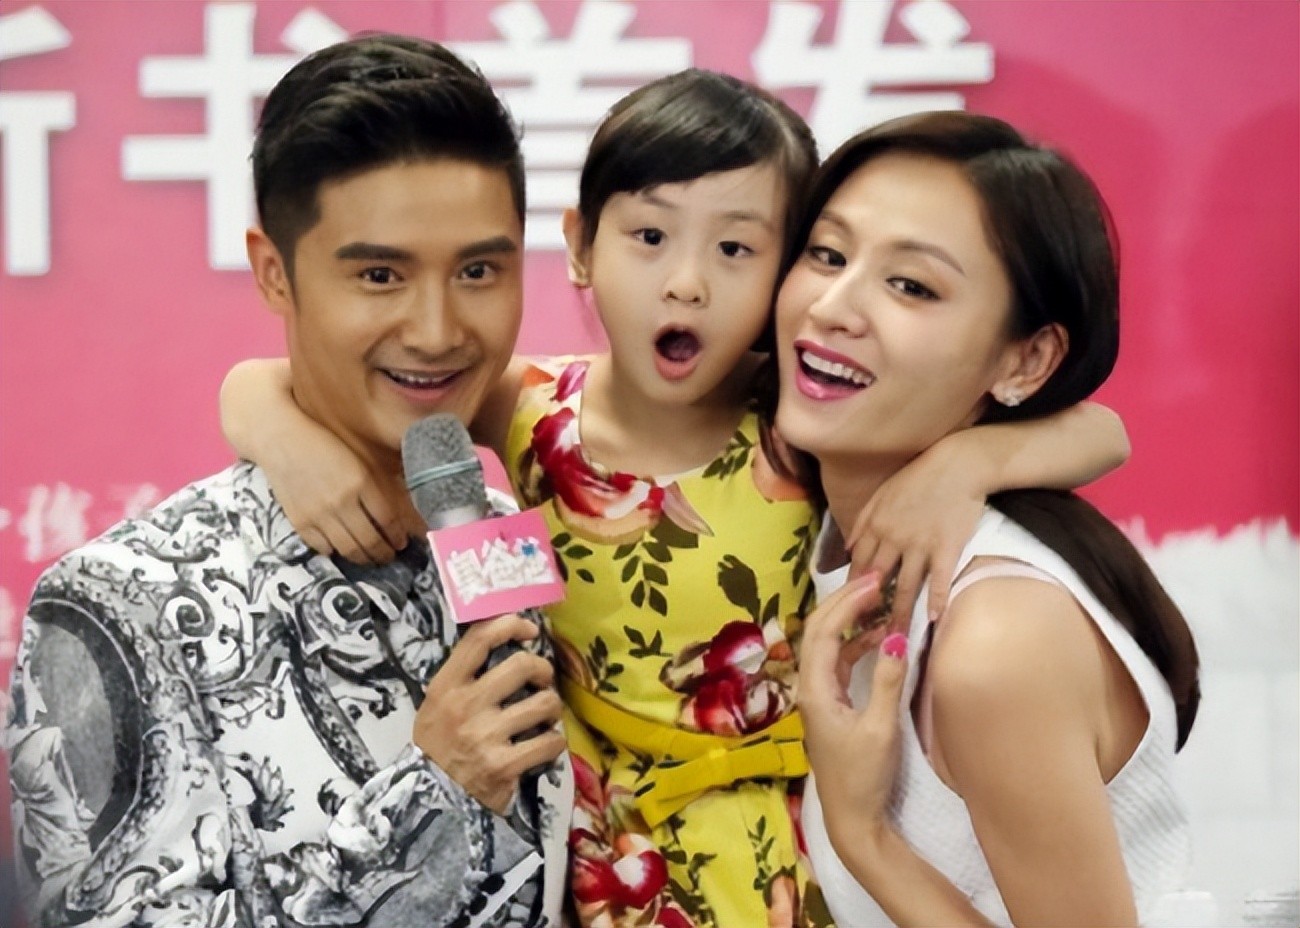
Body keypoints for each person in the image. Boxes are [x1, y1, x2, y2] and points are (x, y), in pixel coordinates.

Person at [220, 73, 1131, 927]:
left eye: (736, 249)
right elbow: (270, 378)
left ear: (781, 271)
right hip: (599, 846)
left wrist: (965, 463)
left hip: (784, 847)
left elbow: (1103, 432)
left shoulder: (796, 416)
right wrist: (279, 435)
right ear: (582, 247)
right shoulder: (527, 411)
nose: (686, 281)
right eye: (649, 238)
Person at [2, 35, 573, 928]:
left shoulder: (529, 544)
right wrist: (433, 801)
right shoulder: (119, 601)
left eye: (478, 271)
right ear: (276, 272)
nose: (437, 330)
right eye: (379, 275)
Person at [782, 112, 1201, 927]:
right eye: (827, 255)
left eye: (911, 286)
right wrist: (972, 458)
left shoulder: (997, 641)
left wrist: (865, 834)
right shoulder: (824, 506)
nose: (832, 307)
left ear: (1027, 360)